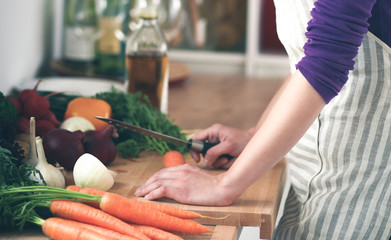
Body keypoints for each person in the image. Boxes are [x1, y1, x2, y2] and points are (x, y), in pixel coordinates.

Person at [136, 0, 391, 238]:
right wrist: (254, 134)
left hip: (361, 180)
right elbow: (304, 63)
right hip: (310, 170)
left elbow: (325, 63)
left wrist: (224, 185)